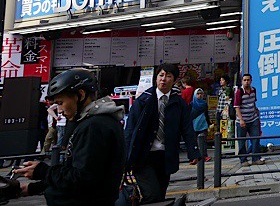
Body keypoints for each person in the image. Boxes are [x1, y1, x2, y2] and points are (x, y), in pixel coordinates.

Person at [14, 69, 125, 205]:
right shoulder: (95, 122)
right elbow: (76, 171)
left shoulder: (94, 126)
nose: (59, 111)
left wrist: (43, 171)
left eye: (61, 103)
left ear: (80, 95)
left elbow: (81, 179)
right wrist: (33, 188)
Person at [124, 63, 202, 203]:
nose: (163, 79)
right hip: (143, 156)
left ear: (174, 80)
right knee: (152, 195)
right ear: (156, 78)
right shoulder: (144, 100)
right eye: (161, 75)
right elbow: (130, 129)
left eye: (168, 76)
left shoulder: (178, 103)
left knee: (160, 196)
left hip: (165, 157)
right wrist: (126, 156)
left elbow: (187, 128)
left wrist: (193, 151)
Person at [234, 74, 265, 166]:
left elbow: (253, 102)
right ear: (242, 81)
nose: (246, 82)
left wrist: (256, 110)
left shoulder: (253, 90)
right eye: (244, 80)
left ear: (251, 80)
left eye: (248, 80)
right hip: (242, 120)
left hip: (253, 118)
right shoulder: (239, 92)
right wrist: (241, 119)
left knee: (256, 138)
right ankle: (243, 160)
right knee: (242, 141)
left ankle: (256, 158)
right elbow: (236, 107)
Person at [215, 75, 233, 141]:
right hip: (219, 110)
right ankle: (219, 141)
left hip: (224, 111)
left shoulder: (228, 89)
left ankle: (223, 141)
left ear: (226, 81)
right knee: (219, 127)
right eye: (220, 80)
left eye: (222, 80)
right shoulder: (220, 90)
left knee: (224, 127)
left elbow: (228, 100)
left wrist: (226, 109)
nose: (221, 81)